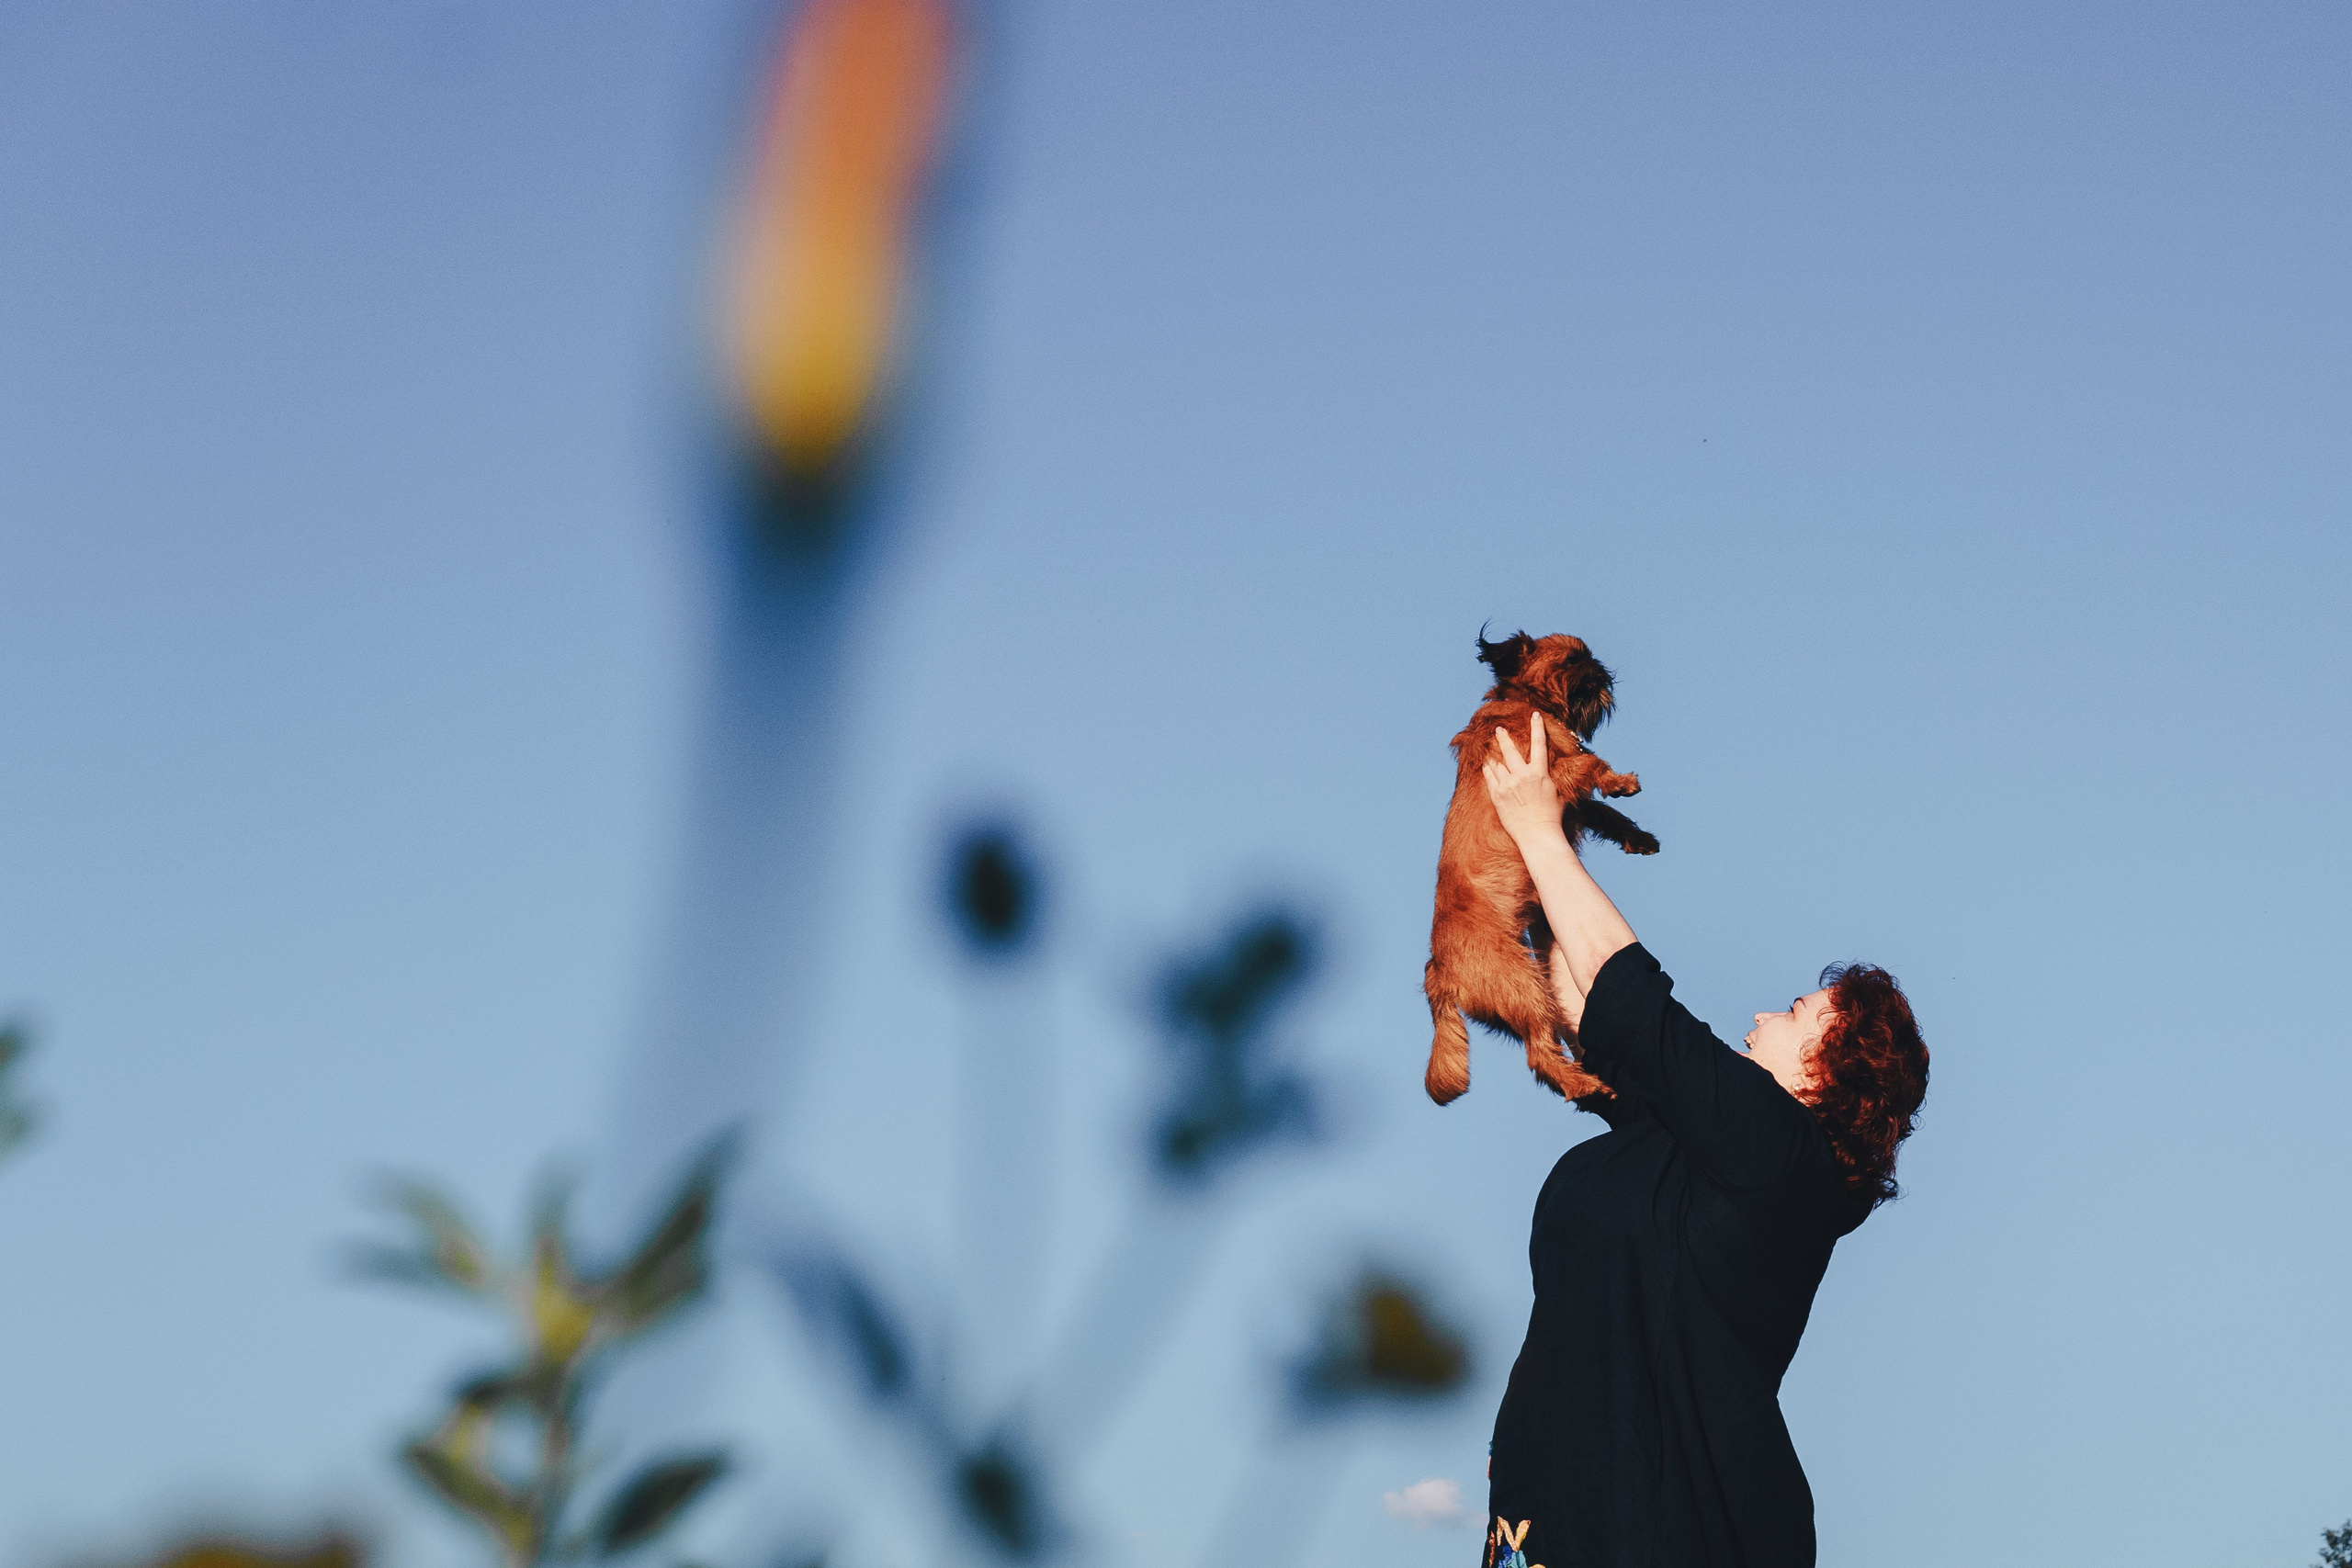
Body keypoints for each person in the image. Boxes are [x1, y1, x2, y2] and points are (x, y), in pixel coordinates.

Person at [1475, 716, 1929, 1568]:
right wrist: (1535, 839)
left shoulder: (1781, 1159)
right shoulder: (1703, 1146)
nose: (1763, 1015)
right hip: (1548, 1527)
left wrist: (1540, 829)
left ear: (1825, 1074)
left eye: (1794, 1013)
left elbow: (1634, 1004)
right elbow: (1590, 1010)